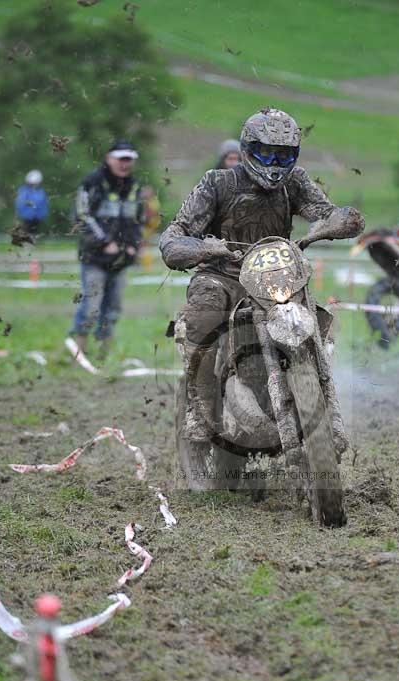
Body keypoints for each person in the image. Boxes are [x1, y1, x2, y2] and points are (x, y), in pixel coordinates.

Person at [159, 107, 364, 445]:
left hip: (278, 277)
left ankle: (323, 404)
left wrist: (330, 226)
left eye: (283, 155)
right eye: (266, 152)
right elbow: (174, 234)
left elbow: (328, 213)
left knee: (319, 323)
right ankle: (200, 407)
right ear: (247, 148)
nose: (273, 163)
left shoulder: (295, 182)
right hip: (223, 274)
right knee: (205, 309)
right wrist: (206, 249)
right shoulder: (218, 182)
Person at [70, 139, 144, 359]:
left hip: (122, 258)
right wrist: (105, 242)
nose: (125, 164)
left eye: (129, 159)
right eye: (121, 159)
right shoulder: (92, 182)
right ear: (109, 159)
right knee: (91, 306)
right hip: (94, 257)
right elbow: (81, 216)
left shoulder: (135, 186)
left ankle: (103, 356)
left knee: (113, 308)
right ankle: (79, 354)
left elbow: (138, 219)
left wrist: (133, 246)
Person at [15, 170, 49, 234]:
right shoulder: (24, 190)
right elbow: (21, 202)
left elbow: (43, 204)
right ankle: (27, 241)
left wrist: (42, 214)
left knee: (33, 231)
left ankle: (30, 241)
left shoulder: (41, 191)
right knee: (27, 230)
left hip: (37, 216)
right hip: (27, 216)